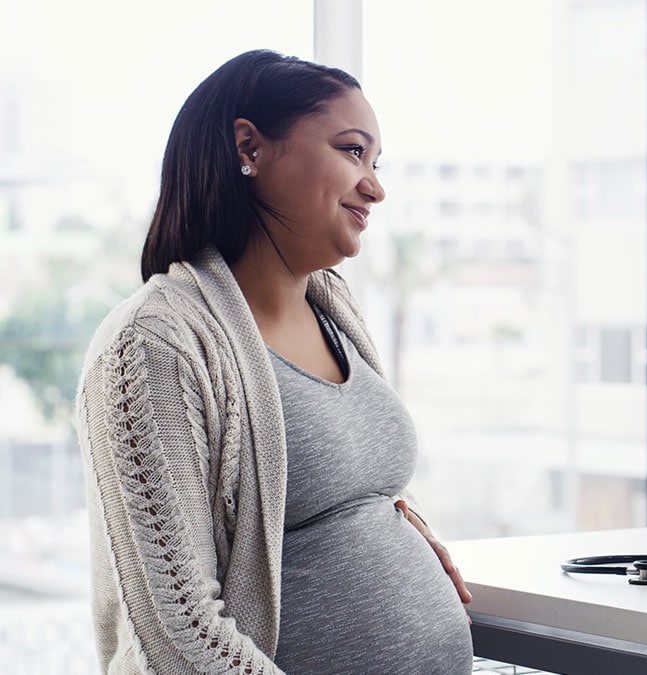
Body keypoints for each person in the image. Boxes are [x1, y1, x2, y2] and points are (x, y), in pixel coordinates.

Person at [76, 50, 474, 674]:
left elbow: (333, 483)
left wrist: (397, 526)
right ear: (250, 148)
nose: (374, 186)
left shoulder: (333, 308)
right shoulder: (154, 343)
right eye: (351, 151)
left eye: (376, 162)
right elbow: (179, 631)